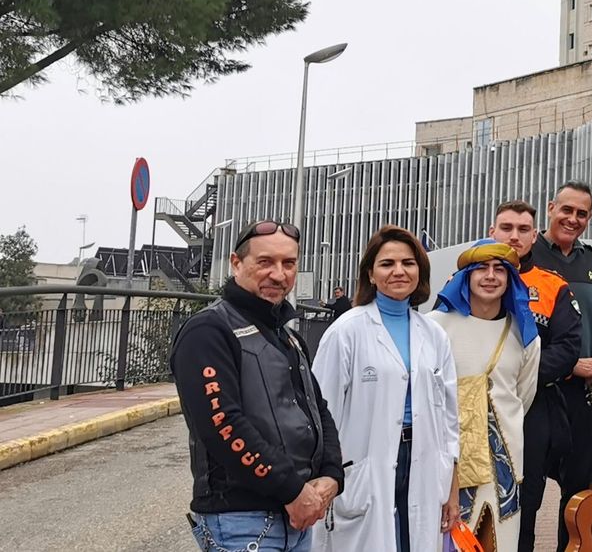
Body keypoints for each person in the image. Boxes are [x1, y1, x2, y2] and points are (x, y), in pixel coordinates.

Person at [172, 220, 342, 552]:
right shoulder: (207, 331)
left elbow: (317, 409)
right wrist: (292, 490)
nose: (279, 275)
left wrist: (333, 474)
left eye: (288, 263)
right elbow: (223, 425)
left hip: (299, 519)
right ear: (236, 263)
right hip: (242, 522)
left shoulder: (288, 336)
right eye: (265, 262)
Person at [313, 225, 459, 552]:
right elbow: (321, 414)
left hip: (423, 460)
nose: (398, 271)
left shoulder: (434, 335)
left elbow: (450, 419)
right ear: (371, 273)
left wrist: (451, 486)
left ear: (420, 271)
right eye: (387, 264)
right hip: (364, 463)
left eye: (408, 263)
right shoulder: (346, 332)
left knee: (415, 542)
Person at [519, 181, 592, 551]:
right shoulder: (528, 258)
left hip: (586, 397)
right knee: (527, 493)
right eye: (567, 210)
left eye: (582, 213)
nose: (573, 219)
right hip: (537, 394)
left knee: (578, 497)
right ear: (550, 208)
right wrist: (570, 364)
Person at [428, 240, 542, 552]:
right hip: (447, 463)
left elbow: (522, 395)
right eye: (481, 268)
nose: (490, 276)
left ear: (510, 280)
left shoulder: (525, 337)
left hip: (503, 464)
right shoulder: (435, 327)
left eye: (499, 270)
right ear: (466, 276)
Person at [490, 200, 583, 552]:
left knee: (525, 507)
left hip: (534, 407)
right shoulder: (465, 281)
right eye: (507, 228)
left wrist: (518, 379)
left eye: (523, 230)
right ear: (492, 232)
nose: (514, 236)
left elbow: (567, 347)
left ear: (534, 236)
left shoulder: (552, 286)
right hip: (477, 409)